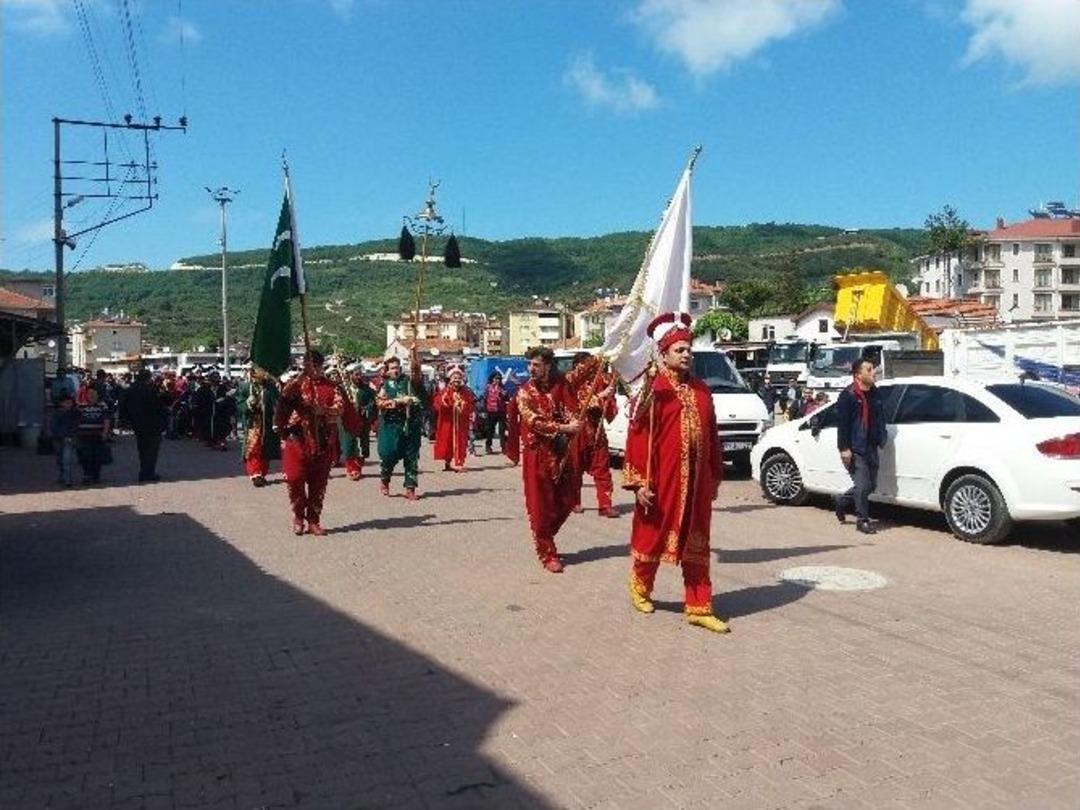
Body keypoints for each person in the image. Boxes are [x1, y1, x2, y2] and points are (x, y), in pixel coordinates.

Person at [622, 313, 729, 634]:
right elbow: (637, 435)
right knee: (652, 536)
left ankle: (699, 606)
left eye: (689, 349)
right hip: (661, 481)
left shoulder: (701, 390)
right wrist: (638, 481)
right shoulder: (654, 390)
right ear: (664, 353)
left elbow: (711, 436)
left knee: (697, 542)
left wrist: (714, 475)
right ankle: (640, 587)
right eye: (680, 350)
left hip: (696, 485)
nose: (686, 354)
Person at [275, 350, 362, 535]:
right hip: (297, 441)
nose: (311, 369)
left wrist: (321, 410)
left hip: (323, 443)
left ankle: (313, 519)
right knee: (295, 479)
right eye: (308, 365)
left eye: (315, 365)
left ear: (321, 366)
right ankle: (298, 515)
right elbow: (283, 402)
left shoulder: (333, 387)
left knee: (318, 484)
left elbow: (339, 408)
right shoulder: (295, 385)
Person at [516, 346, 585, 573]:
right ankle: (547, 552)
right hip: (536, 454)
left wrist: (575, 421)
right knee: (540, 506)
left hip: (560, 453)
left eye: (535, 365)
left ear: (547, 366)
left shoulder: (560, 386)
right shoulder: (524, 392)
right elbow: (534, 422)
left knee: (567, 501)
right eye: (529, 365)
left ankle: (543, 535)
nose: (531, 369)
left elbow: (571, 408)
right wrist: (565, 427)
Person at [833, 358, 887, 535]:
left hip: (872, 445)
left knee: (871, 485)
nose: (874, 372)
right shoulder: (848, 396)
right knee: (863, 485)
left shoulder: (875, 393)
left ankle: (841, 502)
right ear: (858, 374)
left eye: (873, 369)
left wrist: (882, 436)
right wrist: (844, 449)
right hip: (856, 448)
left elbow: (880, 417)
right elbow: (843, 425)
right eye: (869, 370)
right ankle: (862, 521)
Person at [568, 352, 619, 518]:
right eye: (584, 364)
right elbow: (577, 403)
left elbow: (610, 382)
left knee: (602, 469)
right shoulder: (570, 381)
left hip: (596, 430)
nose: (588, 368)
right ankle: (573, 501)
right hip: (577, 431)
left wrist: (610, 387)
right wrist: (600, 396)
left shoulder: (598, 380)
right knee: (574, 469)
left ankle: (605, 505)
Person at [376, 349, 427, 499]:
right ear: (387, 369)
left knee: (411, 456)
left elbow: (417, 373)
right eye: (392, 368)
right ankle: (385, 479)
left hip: (411, 425)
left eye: (397, 367)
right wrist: (398, 402)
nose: (395, 370)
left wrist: (414, 355)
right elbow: (379, 403)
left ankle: (410, 488)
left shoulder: (409, 381)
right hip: (391, 425)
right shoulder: (384, 385)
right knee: (389, 455)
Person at [121, 368, 169, 482]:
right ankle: (148, 472)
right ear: (148, 378)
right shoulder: (151, 390)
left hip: (137, 424)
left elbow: (123, 406)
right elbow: (159, 406)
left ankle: (144, 471)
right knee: (152, 450)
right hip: (152, 424)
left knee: (142, 449)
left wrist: (127, 420)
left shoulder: (130, 390)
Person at [237, 368, 280, 487]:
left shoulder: (271, 387)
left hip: (268, 423)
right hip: (253, 423)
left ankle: (262, 473)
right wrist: (247, 404)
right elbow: (239, 404)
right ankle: (255, 473)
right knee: (253, 448)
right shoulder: (246, 387)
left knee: (266, 448)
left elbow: (278, 402)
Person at [433, 365, 476, 472]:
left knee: (460, 442)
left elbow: (470, 403)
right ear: (450, 379)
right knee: (447, 442)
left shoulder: (466, 391)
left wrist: (463, 405)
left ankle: (459, 463)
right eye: (454, 377)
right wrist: (448, 403)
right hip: (448, 421)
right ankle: (448, 463)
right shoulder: (446, 390)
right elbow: (438, 403)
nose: (456, 380)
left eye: (458, 377)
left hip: (461, 422)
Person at [339, 364, 376, 481]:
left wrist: (367, 409)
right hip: (348, 421)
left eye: (361, 374)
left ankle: (358, 467)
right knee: (349, 445)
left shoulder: (367, 390)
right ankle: (351, 468)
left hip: (362, 421)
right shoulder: (343, 389)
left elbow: (374, 402)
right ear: (350, 375)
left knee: (363, 446)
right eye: (356, 374)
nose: (359, 377)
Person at [76, 387, 111, 484]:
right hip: (84, 434)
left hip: (97, 434)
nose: (92, 396)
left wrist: (105, 432)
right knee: (85, 455)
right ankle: (87, 474)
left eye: (94, 394)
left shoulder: (102, 405)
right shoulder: (80, 405)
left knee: (97, 456)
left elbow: (106, 419)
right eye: (90, 394)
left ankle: (96, 475)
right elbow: (75, 419)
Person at [51, 393, 80, 487]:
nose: (68, 405)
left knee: (67, 459)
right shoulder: (57, 413)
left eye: (70, 403)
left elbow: (76, 425)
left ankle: (68, 479)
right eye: (66, 403)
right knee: (60, 458)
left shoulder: (75, 413)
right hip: (59, 439)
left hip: (69, 438)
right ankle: (62, 474)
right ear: (62, 403)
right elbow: (54, 426)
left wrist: (71, 435)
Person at [482, 372, 508, 454]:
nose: (498, 380)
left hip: (501, 411)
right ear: (492, 379)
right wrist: (484, 410)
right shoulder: (488, 387)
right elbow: (485, 399)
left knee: (502, 430)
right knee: (490, 430)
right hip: (491, 411)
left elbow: (507, 398)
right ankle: (488, 446)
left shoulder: (503, 388)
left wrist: (503, 393)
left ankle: (504, 447)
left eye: (499, 379)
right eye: (496, 378)